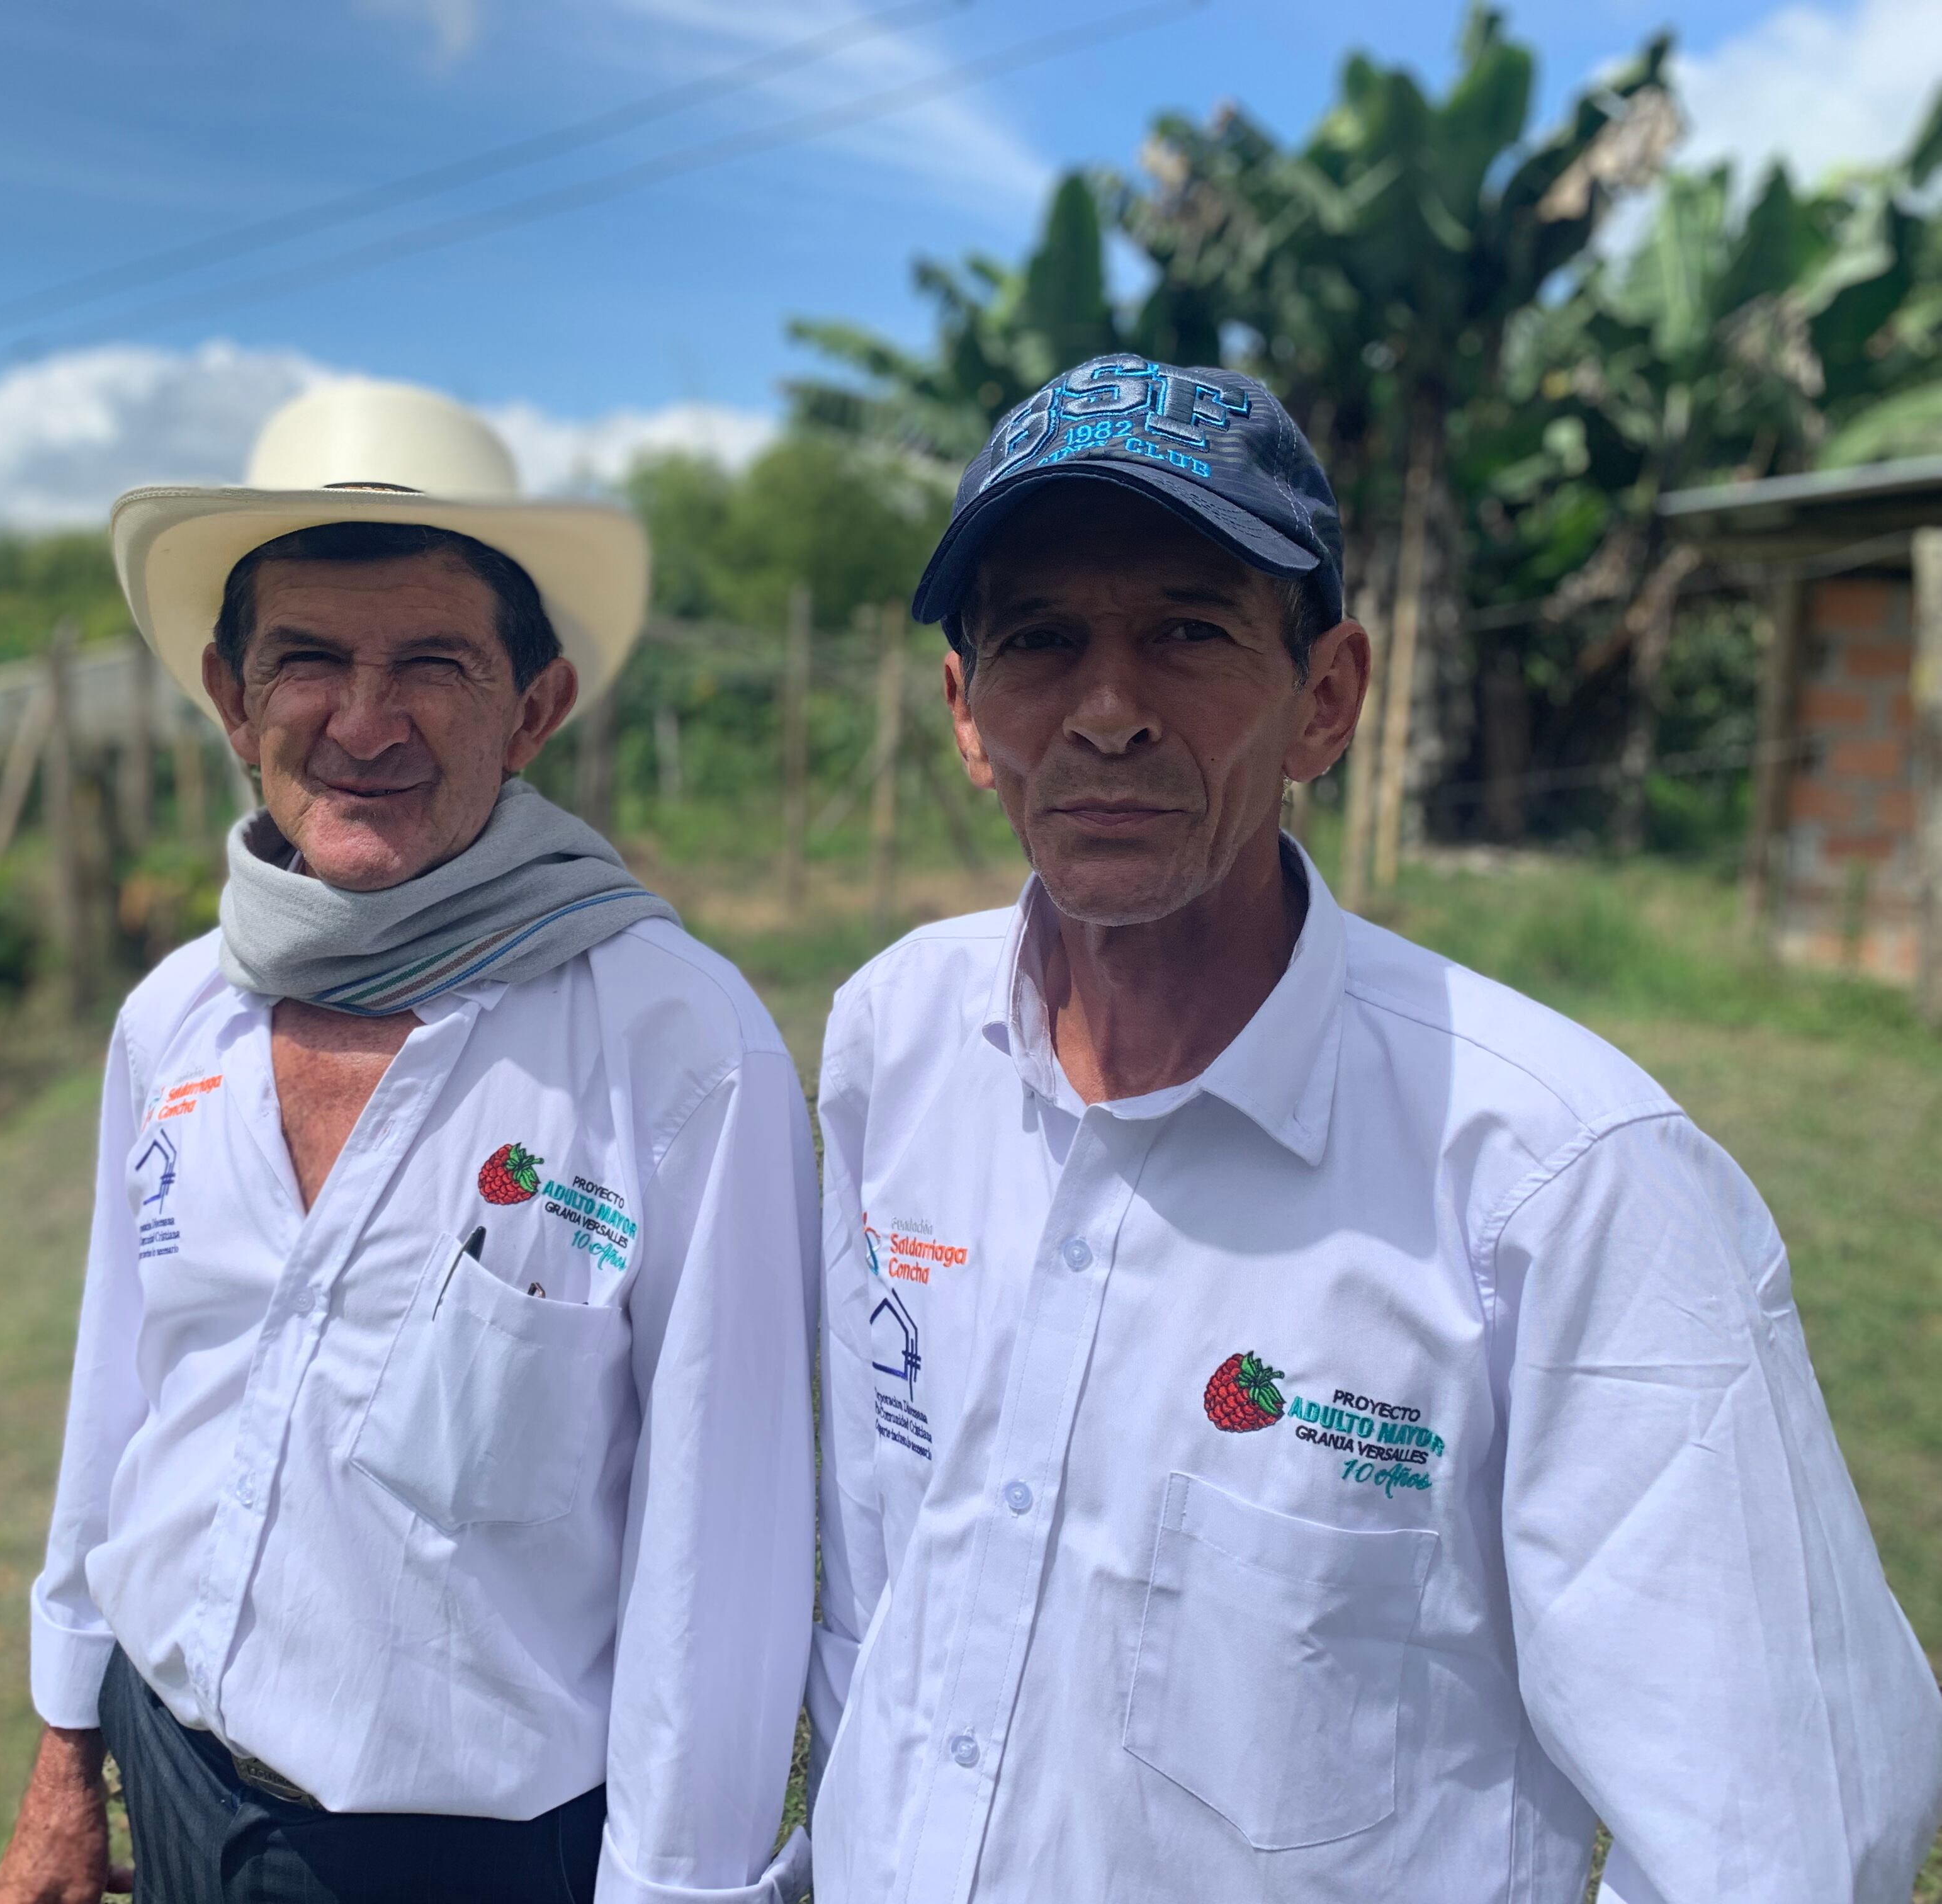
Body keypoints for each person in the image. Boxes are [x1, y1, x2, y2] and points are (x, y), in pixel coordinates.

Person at [806, 354, 1942, 1901]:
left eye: (1190, 634)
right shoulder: (898, 1044)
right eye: (1040, 639)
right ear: (967, 712)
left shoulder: (1561, 1178)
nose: (1109, 713)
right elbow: (884, 1567)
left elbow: (1786, 1829)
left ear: (1326, 700)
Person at [0, 379, 816, 1904]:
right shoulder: (178, 1018)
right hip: (169, 1770)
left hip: (467, 1859)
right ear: (232, 696)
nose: (364, 722)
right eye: (307, 660)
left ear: (536, 708)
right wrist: (66, 1751)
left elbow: (726, 1550)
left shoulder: (677, 1047)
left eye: (434, 663)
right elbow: (124, 1395)